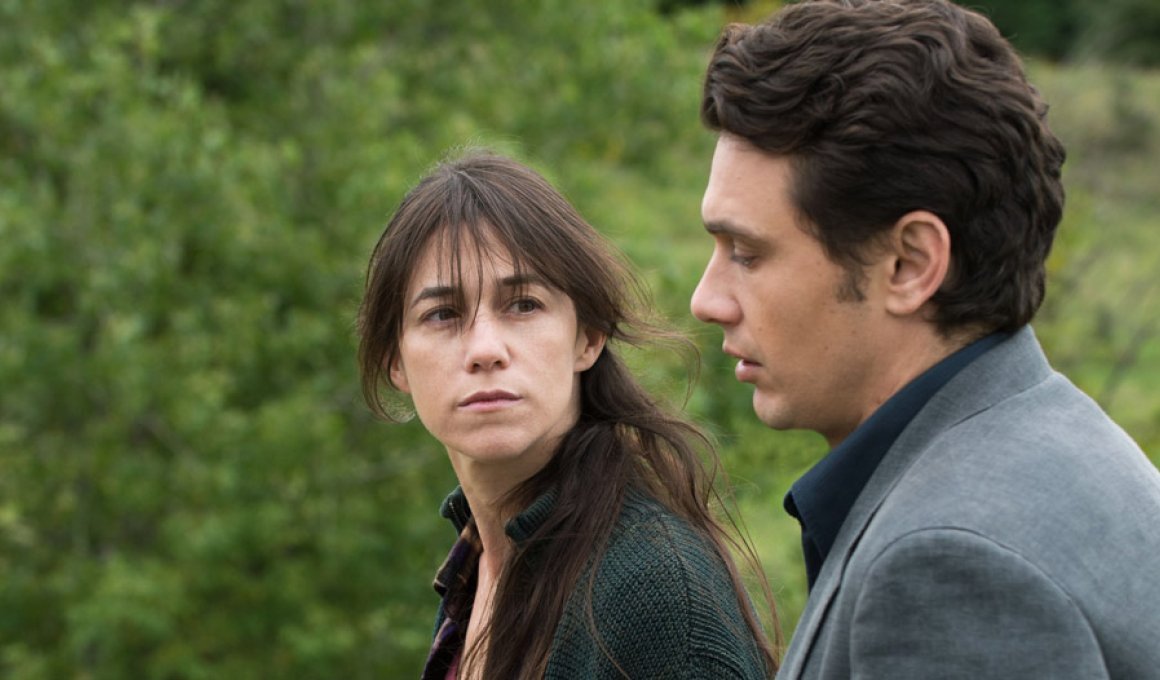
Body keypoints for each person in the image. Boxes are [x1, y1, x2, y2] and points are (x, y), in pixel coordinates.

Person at [689, 0, 1160, 678]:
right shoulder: (1058, 448)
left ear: (909, 265)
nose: (706, 300)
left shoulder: (950, 564)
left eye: (747, 253)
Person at [357, 151, 777, 679]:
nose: (485, 349)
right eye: (443, 314)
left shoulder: (655, 589)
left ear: (588, 337)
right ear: (395, 361)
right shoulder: (480, 566)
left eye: (523, 305)